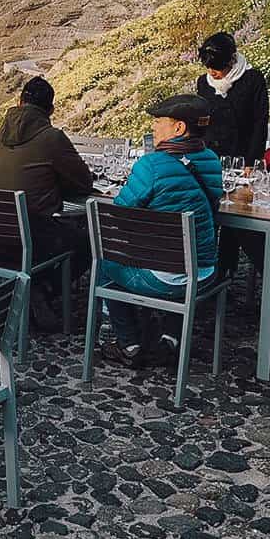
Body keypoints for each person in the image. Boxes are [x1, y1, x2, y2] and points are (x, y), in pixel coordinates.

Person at [100, 95, 223, 366]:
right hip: (205, 271)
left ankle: (129, 343)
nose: (153, 128)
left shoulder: (151, 165)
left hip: (165, 279)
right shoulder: (212, 159)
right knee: (179, 253)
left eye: (158, 122)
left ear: (179, 128)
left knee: (104, 257)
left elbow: (118, 213)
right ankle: (171, 338)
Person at [0, 76, 94, 329]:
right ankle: (43, 287)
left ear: (20, 101)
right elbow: (83, 183)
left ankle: (33, 285)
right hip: (34, 236)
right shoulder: (52, 138)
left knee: (56, 231)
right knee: (90, 241)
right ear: (50, 110)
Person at [195, 31, 270, 163]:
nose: (212, 72)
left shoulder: (252, 79)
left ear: (231, 60)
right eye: (208, 67)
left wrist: (252, 160)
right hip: (213, 157)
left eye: (217, 67)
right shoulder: (203, 83)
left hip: (244, 155)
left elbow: (260, 122)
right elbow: (202, 122)